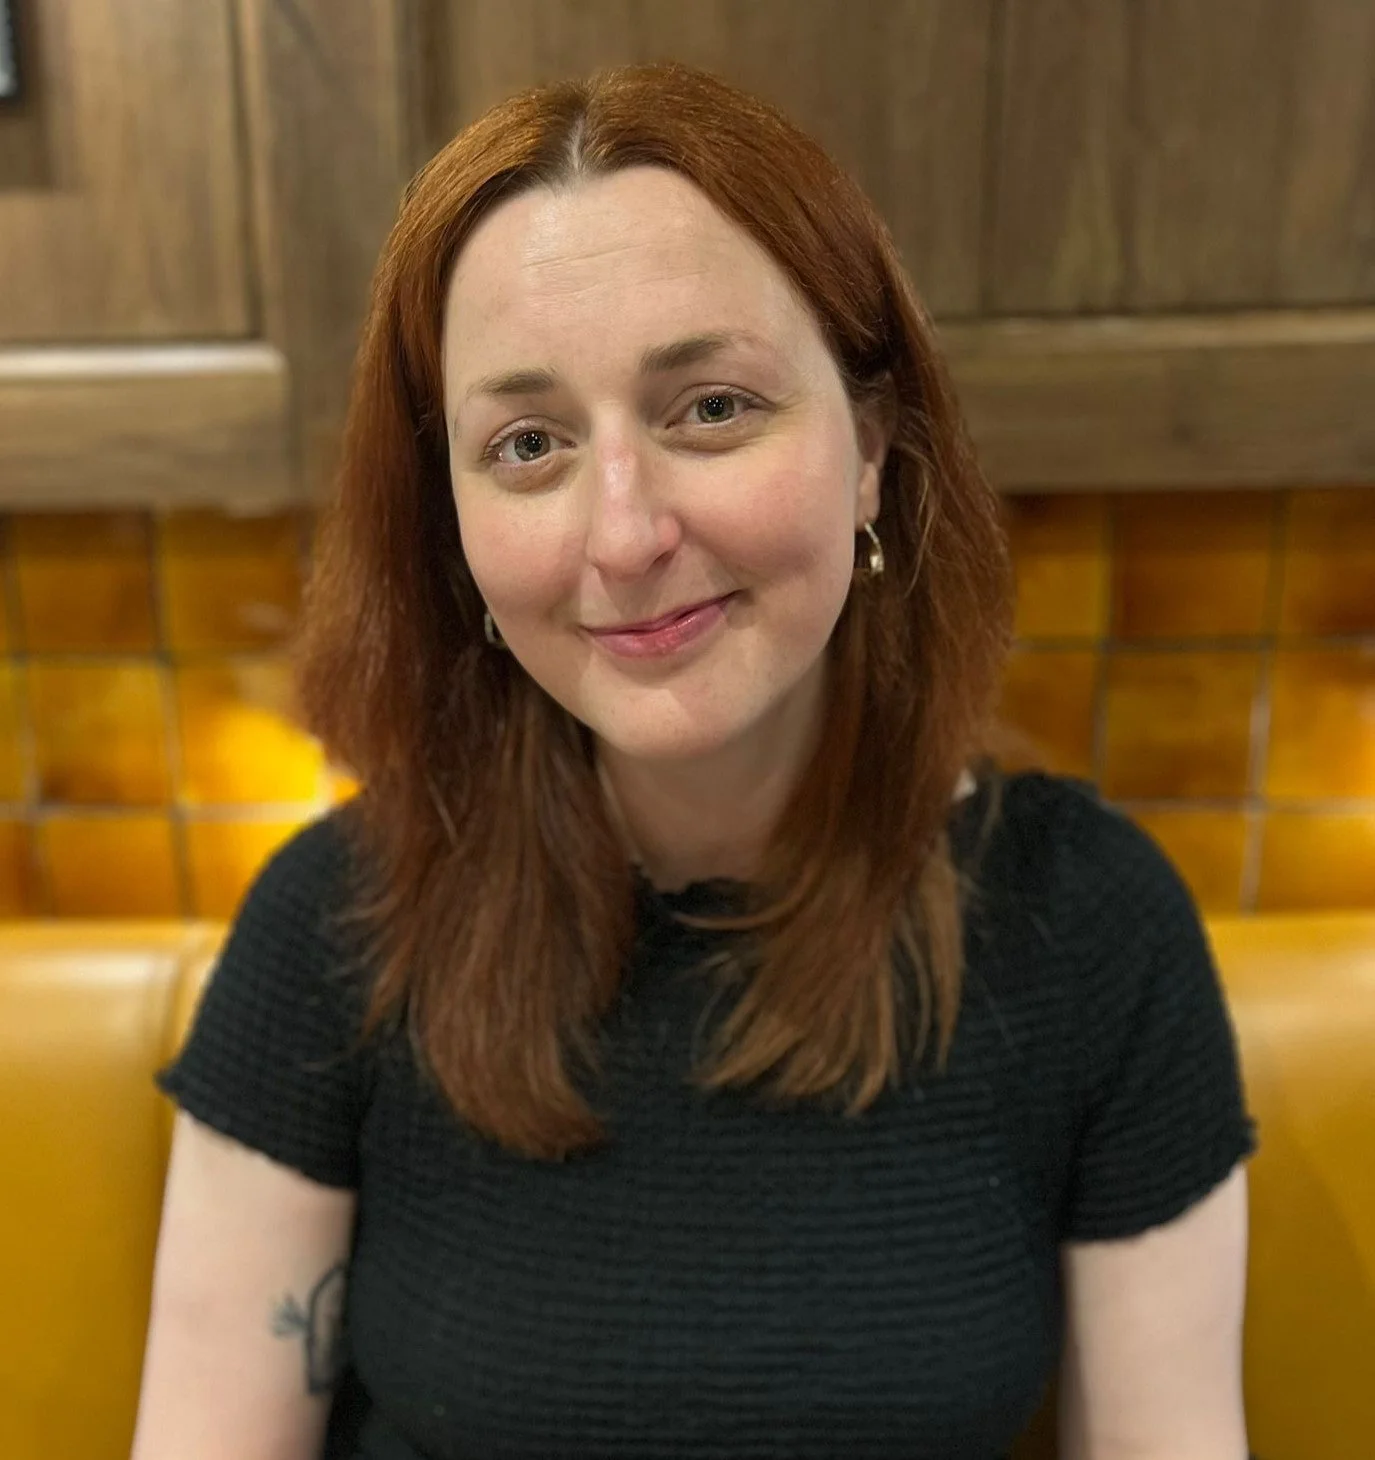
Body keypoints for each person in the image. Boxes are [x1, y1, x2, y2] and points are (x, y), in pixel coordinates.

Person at [131, 62, 1255, 1460]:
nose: (621, 535)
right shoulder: (333, 924)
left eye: (709, 407)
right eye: (527, 443)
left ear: (870, 454)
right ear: (456, 527)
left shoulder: (1089, 929)